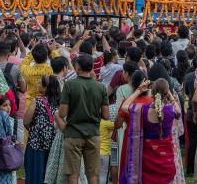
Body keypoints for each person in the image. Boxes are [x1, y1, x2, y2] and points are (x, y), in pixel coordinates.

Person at [58, 54, 109, 184]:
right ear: (92, 67)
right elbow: (106, 115)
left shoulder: (70, 85)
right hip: (93, 134)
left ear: (78, 67)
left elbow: (62, 113)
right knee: (92, 175)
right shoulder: (100, 87)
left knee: (73, 175)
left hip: (73, 134)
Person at [120, 78, 181, 183]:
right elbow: (178, 111)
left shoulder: (142, 110)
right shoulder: (170, 110)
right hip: (166, 164)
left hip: (146, 165)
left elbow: (124, 106)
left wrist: (138, 90)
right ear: (166, 93)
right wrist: (169, 95)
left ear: (151, 93)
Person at [23, 75, 60, 184]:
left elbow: (26, 121)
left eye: (40, 83)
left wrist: (33, 129)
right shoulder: (59, 103)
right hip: (53, 145)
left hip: (36, 144)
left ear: (46, 88)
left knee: (35, 174)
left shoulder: (37, 101)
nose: (38, 85)